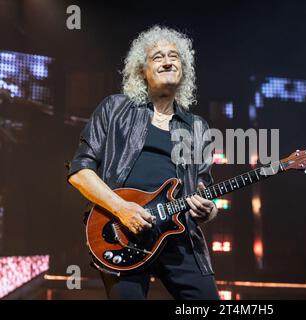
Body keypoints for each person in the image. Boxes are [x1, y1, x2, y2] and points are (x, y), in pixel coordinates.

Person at [66, 26, 219, 300]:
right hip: (122, 232)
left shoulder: (197, 127)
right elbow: (80, 172)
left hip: (179, 236)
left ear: (184, 71)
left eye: (174, 56)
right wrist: (122, 209)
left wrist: (207, 211)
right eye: (158, 57)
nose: (168, 61)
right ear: (141, 71)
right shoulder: (114, 109)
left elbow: (204, 189)